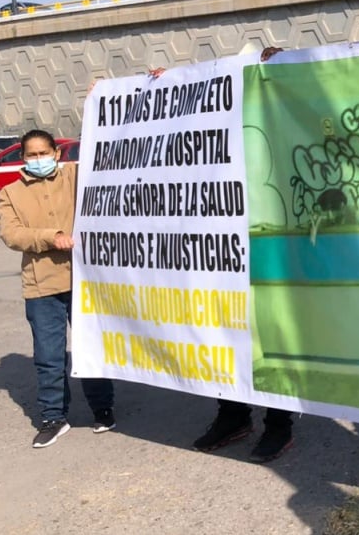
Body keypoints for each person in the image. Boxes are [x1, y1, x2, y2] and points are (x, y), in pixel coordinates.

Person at [149, 46, 296, 463]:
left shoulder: (290, 121)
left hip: (272, 251)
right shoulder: (225, 120)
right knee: (223, 336)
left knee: (271, 343)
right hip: (222, 255)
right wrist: (163, 87)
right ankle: (232, 415)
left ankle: (278, 425)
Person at [0, 129, 116, 448]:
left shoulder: (77, 176)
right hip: (42, 286)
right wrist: (51, 237)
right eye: (31, 155)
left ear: (57, 153)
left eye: (43, 153)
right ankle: (53, 417)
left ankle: (103, 409)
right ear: (22, 158)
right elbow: (12, 234)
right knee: (49, 356)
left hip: (85, 280)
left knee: (91, 348)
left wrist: (98, 97)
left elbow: (107, 146)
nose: (38, 160)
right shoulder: (10, 194)